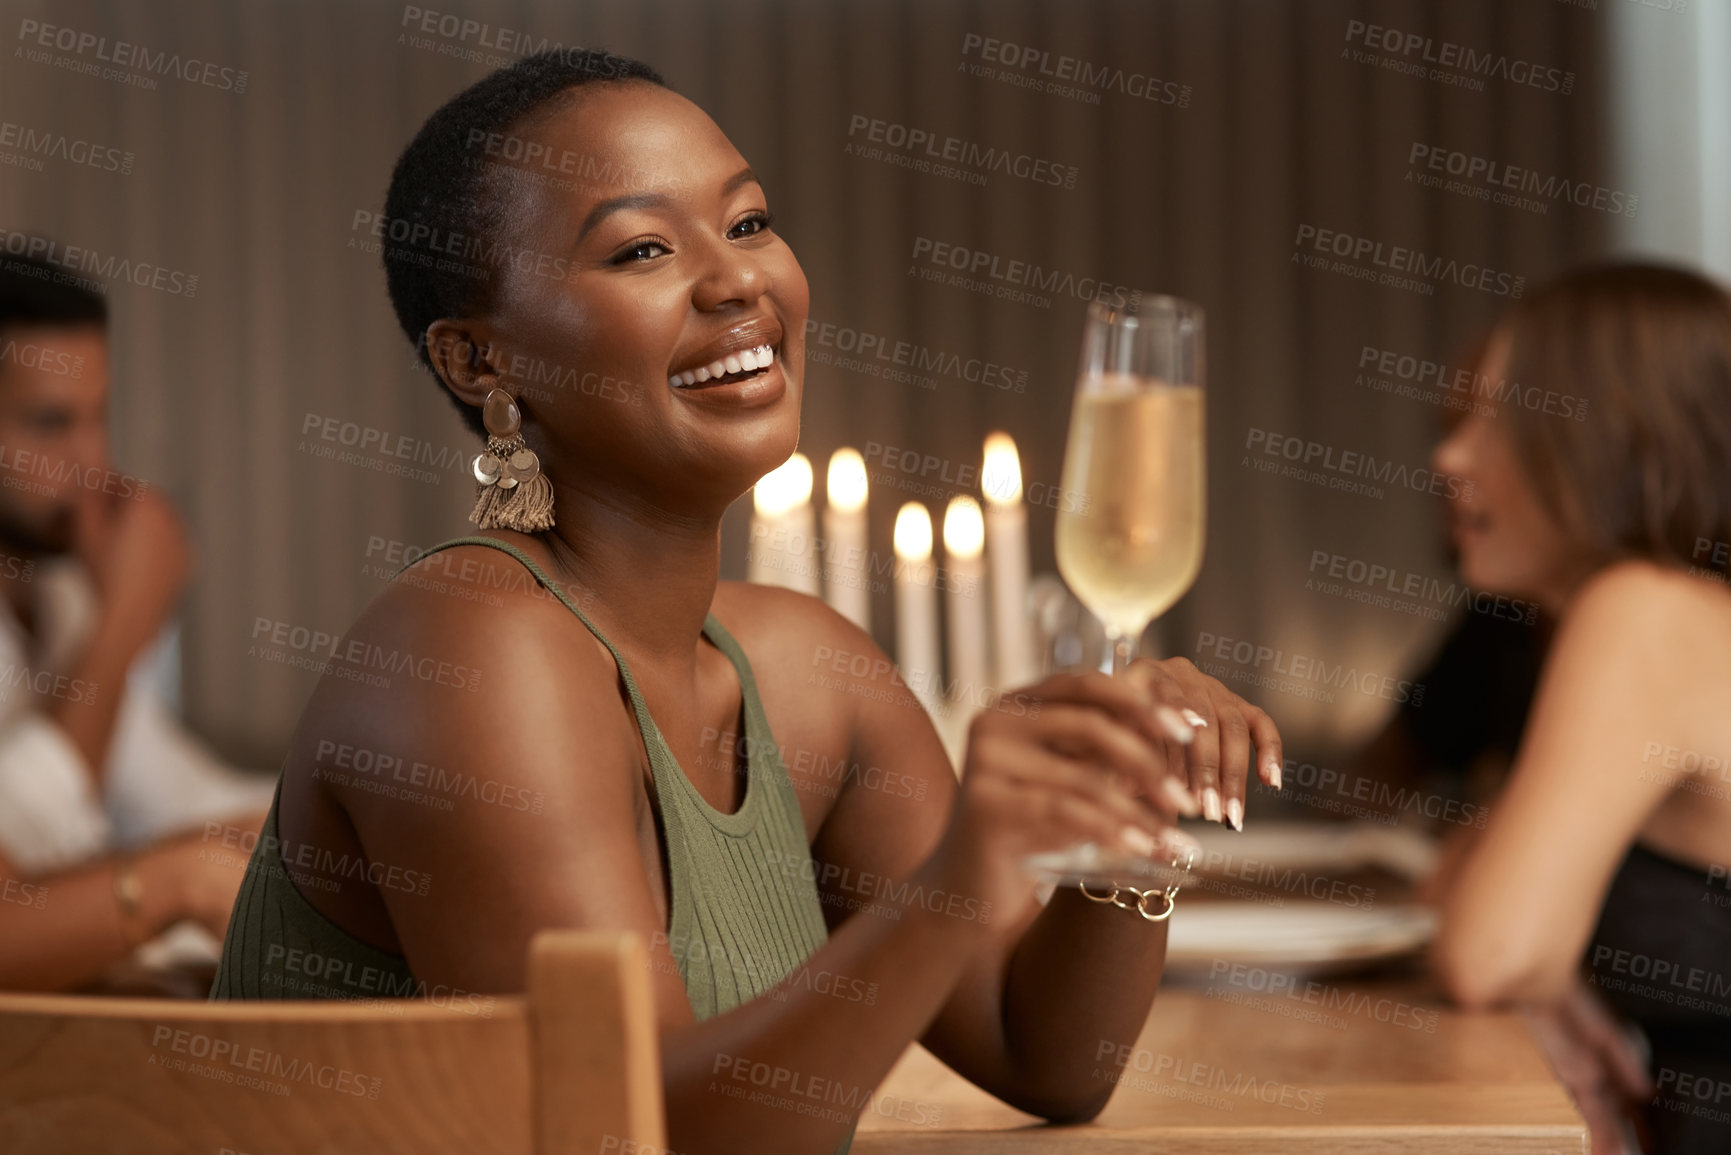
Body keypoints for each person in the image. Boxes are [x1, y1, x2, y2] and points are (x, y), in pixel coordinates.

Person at [208, 49, 1284, 1155]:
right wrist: (964, 865)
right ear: (482, 360)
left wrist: (1129, 811)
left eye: (751, 223)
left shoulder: (811, 673)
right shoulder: (470, 653)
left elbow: (1043, 1053)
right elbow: (630, 1134)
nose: (737, 284)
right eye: (641, 250)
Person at [1429, 263, 1731, 1155]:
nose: (1450, 456)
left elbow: (1486, 951)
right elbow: (1460, 880)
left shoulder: (1644, 610)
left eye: (1499, 418)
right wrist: (1540, 978)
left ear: (1618, 439)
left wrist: (1531, 967)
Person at [0, 250, 270, 991]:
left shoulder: (57, 594)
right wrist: (127, 618)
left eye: (100, 417)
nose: (93, 464)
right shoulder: (97, 603)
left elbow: (174, 794)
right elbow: (18, 850)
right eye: (51, 424)